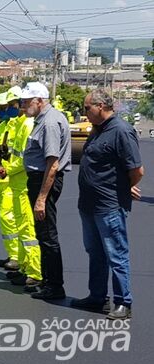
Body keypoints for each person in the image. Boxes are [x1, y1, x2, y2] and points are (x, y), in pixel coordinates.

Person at [71, 89, 143, 320]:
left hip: (109, 204)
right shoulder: (97, 130)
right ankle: (97, 298)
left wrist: (124, 186)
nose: (84, 113)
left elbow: (136, 170)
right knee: (95, 252)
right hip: (89, 205)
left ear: (100, 106)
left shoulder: (121, 131)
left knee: (116, 254)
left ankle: (124, 302)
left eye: (87, 108)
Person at [0, 87, 44, 291]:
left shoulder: (27, 125)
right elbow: (7, 153)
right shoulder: (11, 125)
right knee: (20, 226)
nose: (5, 111)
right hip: (14, 182)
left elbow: (24, 159)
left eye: (14, 105)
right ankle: (25, 267)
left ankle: (34, 271)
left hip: (21, 183)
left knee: (26, 228)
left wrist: (5, 170)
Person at [20, 82, 71, 300]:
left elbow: (52, 163)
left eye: (26, 101)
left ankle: (55, 286)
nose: (23, 105)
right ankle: (48, 281)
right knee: (43, 234)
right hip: (40, 180)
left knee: (48, 235)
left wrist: (41, 198)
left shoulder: (49, 123)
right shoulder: (43, 119)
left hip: (44, 181)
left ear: (39, 100)